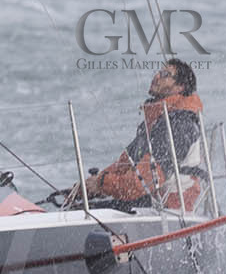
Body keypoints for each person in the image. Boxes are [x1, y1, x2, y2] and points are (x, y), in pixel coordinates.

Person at [80, 58, 207, 210]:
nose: (156, 77)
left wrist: (102, 184)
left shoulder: (178, 124)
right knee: (79, 208)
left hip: (168, 207)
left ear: (180, 87)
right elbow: (123, 165)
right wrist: (90, 185)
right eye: (158, 72)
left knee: (85, 212)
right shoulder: (154, 122)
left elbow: (143, 183)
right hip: (150, 202)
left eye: (165, 74)